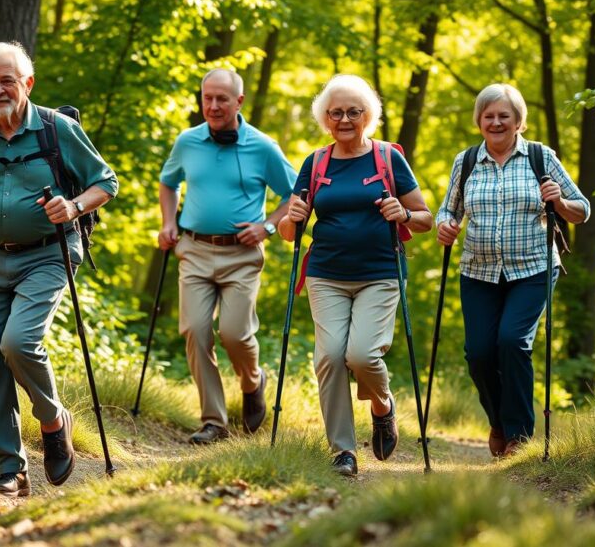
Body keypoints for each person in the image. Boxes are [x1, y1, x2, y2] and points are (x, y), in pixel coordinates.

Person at [0, 42, 118, 496]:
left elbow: (106, 181)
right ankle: (10, 468)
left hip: (47, 253)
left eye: (8, 80)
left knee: (19, 342)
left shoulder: (57, 130)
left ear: (27, 84)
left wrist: (73, 205)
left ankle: (54, 419)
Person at [278, 75, 432, 477]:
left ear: (368, 116)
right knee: (329, 358)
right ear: (325, 118)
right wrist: (290, 219)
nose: (345, 118)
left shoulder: (387, 158)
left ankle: (383, 408)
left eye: (353, 111)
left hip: (379, 273)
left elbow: (426, 219)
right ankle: (343, 451)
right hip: (326, 274)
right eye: (336, 112)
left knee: (361, 355)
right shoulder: (316, 162)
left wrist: (404, 214)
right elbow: (289, 231)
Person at [435, 83, 589, 458]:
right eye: (489, 116)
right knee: (479, 353)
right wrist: (445, 225)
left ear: (518, 121)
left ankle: (519, 435)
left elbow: (582, 209)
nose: (496, 122)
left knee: (512, 343)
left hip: (533, 269)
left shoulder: (541, 157)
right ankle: (499, 421)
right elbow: (448, 210)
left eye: (504, 115)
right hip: (479, 271)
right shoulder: (466, 161)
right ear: (479, 121)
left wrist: (560, 201)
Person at [158, 69, 297, 444]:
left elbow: (296, 195)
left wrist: (267, 227)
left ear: (239, 101)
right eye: (208, 98)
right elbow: (168, 183)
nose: (214, 106)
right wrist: (168, 222)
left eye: (222, 98)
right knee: (195, 331)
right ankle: (213, 421)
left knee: (235, 334)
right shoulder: (187, 141)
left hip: (242, 256)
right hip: (195, 250)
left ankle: (253, 381)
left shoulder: (263, 146)